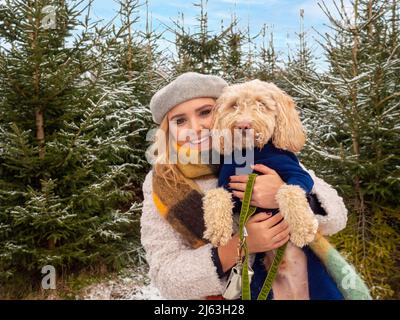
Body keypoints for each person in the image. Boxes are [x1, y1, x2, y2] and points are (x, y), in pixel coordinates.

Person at [140, 72, 348, 299]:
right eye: (180, 120)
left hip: (304, 282)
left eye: (205, 112)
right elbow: (166, 275)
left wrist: (282, 195)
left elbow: (336, 216)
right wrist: (238, 246)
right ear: (168, 130)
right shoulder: (163, 182)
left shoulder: (264, 152)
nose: (196, 127)